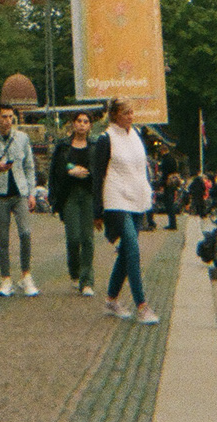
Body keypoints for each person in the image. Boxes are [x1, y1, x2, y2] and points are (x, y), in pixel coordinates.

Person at [90, 98, 159, 324]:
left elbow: (141, 168)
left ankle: (111, 299)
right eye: (126, 113)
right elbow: (98, 174)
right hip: (116, 198)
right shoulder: (106, 139)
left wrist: (148, 192)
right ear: (115, 115)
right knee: (133, 249)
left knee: (127, 251)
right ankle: (142, 305)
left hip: (137, 198)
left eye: (132, 112)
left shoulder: (136, 135)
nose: (131, 116)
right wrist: (97, 210)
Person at [0, 102, 39, 296]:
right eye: (4, 116)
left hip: (19, 192)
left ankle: (26, 275)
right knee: (3, 239)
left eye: (11, 117)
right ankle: (5, 279)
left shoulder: (22, 138)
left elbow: (29, 167)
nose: (8, 121)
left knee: (25, 233)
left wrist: (31, 193)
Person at [49, 110, 99, 295]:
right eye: (79, 121)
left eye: (86, 121)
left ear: (90, 125)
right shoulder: (63, 146)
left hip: (88, 194)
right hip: (69, 194)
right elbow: (55, 171)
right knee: (73, 238)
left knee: (87, 238)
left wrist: (87, 173)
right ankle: (75, 271)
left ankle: (87, 281)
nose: (82, 124)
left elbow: (100, 171)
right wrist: (69, 173)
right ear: (73, 123)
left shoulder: (94, 146)